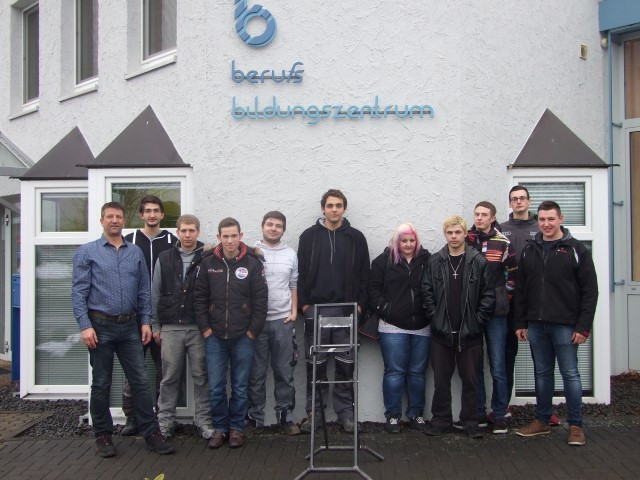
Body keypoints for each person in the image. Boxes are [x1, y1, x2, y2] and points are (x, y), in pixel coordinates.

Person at [71, 201, 174, 457]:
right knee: (102, 383)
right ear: (102, 220)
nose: (114, 220)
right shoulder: (87, 252)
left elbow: (142, 290)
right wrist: (84, 326)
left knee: (140, 381)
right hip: (100, 326)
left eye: (118, 217)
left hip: (130, 326)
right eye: (109, 217)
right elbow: (79, 292)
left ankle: (151, 432)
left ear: (124, 221)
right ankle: (103, 435)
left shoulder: (134, 252)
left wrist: (146, 321)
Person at [515, 201, 598, 446]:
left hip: (565, 325)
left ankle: (575, 426)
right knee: (542, 374)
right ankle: (542, 421)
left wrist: (583, 326)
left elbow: (590, 291)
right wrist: (520, 322)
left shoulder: (576, 250)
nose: (546, 224)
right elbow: (520, 290)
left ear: (560, 219)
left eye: (551, 219)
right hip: (536, 325)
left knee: (570, 374)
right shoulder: (530, 250)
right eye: (542, 219)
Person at [297, 189, 370, 434]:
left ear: (344, 209)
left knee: (345, 364)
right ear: (323, 208)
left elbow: (364, 274)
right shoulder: (308, 237)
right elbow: (301, 274)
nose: (334, 209)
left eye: (338, 205)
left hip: (346, 309)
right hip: (315, 310)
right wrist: (304, 305)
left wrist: (359, 305)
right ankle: (315, 413)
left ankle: (345, 414)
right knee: (315, 365)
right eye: (330, 205)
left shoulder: (356, 237)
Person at [194, 217, 268, 449]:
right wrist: (205, 328)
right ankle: (220, 428)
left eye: (233, 235)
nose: (229, 240)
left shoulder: (253, 262)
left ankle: (236, 428)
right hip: (214, 336)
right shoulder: (207, 262)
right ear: (218, 237)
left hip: (243, 336)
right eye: (225, 236)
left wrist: (252, 332)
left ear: (241, 235)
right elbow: (199, 298)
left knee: (240, 386)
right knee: (216, 386)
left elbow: (261, 301)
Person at [421, 215, 495, 439]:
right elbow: (427, 294)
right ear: (445, 235)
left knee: (471, 380)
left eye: (457, 232)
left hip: (469, 333)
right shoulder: (435, 261)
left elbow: (488, 295)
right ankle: (441, 420)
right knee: (441, 380)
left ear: (465, 234)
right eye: (449, 233)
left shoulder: (477, 261)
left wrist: (477, 322)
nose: (454, 236)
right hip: (441, 333)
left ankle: (470, 421)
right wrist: (436, 319)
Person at [501, 186, 560, 426]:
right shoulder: (501, 230)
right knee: (506, 357)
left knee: (542, 360)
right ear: (510, 203)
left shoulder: (541, 229)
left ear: (529, 201)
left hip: (536, 303)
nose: (518, 202)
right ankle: (501, 407)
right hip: (508, 303)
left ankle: (545, 411)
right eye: (514, 199)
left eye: (522, 198)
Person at [152, 214, 214, 440]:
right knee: (169, 377)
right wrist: (155, 325)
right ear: (177, 232)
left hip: (199, 327)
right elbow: (155, 292)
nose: (188, 235)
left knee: (201, 376)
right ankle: (165, 422)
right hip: (170, 327)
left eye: (192, 230)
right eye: (184, 231)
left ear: (198, 232)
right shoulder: (165, 257)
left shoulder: (208, 256)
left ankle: (204, 421)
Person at [120, 195, 178, 436]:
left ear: (162, 215)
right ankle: (132, 417)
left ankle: (156, 416)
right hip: (133, 316)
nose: (152, 215)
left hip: (163, 315)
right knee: (133, 369)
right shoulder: (129, 240)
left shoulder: (172, 241)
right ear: (141, 215)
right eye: (148, 211)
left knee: (162, 369)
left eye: (156, 211)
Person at [369, 223, 431, 434]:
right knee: (395, 372)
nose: (408, 244)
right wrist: (385, 309)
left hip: (422, 326)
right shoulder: (383, 261)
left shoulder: (427, 260)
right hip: (392, 326)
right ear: (397, 242)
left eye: (412, 240)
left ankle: (416, 414)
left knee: (417, 373)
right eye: (404, 240)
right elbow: (373, 289)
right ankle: (393, 416)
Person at [247, 211, 301, 436]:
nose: (273, 229)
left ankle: (285, 417)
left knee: (284, 372)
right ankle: (255, 420)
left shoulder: (290, 254)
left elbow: (293, 283)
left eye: (278, 226)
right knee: (256, 373)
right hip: (256, 324)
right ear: (262, 226)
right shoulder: (250, 253)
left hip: (282, 321)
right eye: (269, 224)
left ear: (283, 230)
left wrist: (294, 311)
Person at [465, 201, 517, 434]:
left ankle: (499, 414)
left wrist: (502, 297)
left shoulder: (503, 242)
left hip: (497, 313)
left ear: (493, 217)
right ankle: (479, 413)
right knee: (475, 366)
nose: (479, 218)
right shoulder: (466, 240)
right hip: (472, 312)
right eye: (476, 214)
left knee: (497, 365)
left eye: (484, 214)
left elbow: (512, 277)